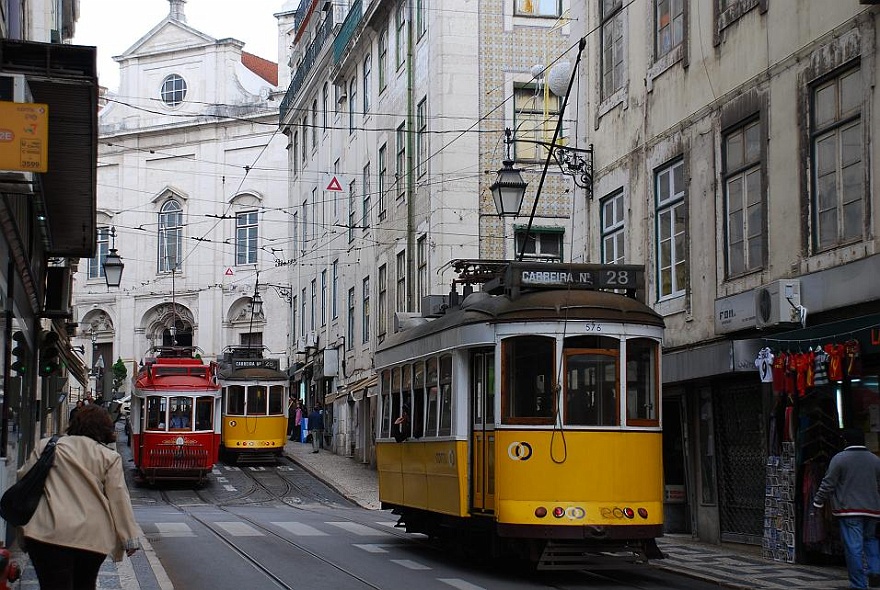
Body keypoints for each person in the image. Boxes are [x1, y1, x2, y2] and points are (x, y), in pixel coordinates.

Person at [18, 404, 142, 590]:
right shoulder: (108, 457)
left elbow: (23, 478)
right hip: (90, 538)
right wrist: (129, 539)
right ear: (105, 428)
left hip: (45, 532)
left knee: (51, 585)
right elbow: (119, 499)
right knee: (84, 584)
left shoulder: (47, 446)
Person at [812, 428, 880, 590]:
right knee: (871, 540)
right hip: (873, 509)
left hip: (849, 510)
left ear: (846, 442)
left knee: (853, 547)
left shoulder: (839, 459)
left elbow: (828, 483)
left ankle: (858, 584)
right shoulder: (875, 460)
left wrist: (818, 501)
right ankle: (875, 570)